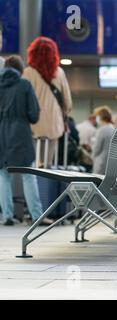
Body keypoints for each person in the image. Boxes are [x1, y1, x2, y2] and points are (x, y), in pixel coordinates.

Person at [0, 55, 50, 226]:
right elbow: (34, 115)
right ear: (20, 69)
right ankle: (37, 216)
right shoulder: (24, 85)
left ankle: (6, 216)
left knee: (2, 175)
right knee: (28, 176)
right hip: (21, 134)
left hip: (0, 135)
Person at [23, 37, 73, 167]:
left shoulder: (28, 73)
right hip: (54, 125)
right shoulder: (59, 72)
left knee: (33, 165)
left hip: (33, 124)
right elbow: (68, 102)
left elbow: (23, 100)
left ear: (33, 53)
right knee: (48, 164)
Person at [92, 106, 115, 175]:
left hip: (100, 162)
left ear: (101, 116)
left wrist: (92, 155)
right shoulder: (113, 128)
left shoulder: (102, 130)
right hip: (110, 163)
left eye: (97, 116)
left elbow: (97, 148)